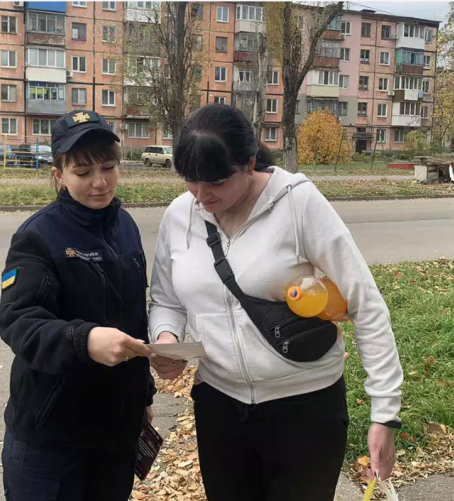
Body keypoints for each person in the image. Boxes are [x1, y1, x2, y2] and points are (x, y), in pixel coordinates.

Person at [148, 104, 403, 501]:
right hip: (220, 408)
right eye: (190, 181)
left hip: (305, 409)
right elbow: (165, 299)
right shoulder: (180, 215)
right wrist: (165, 337)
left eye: (214, 181)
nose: (201, 195)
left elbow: (365, 303)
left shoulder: (298, 203)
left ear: (249, 163)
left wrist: (384, 413)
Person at [0, 110, 156, 501]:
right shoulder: (37, 236)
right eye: (83, 173)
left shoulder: (126, 227)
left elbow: (135, 319)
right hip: (52, 438)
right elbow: (19, 321)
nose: (99, 183)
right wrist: (83, 340)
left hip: (115, 433)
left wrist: (143, 396)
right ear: (59, 175)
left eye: (108, 167)